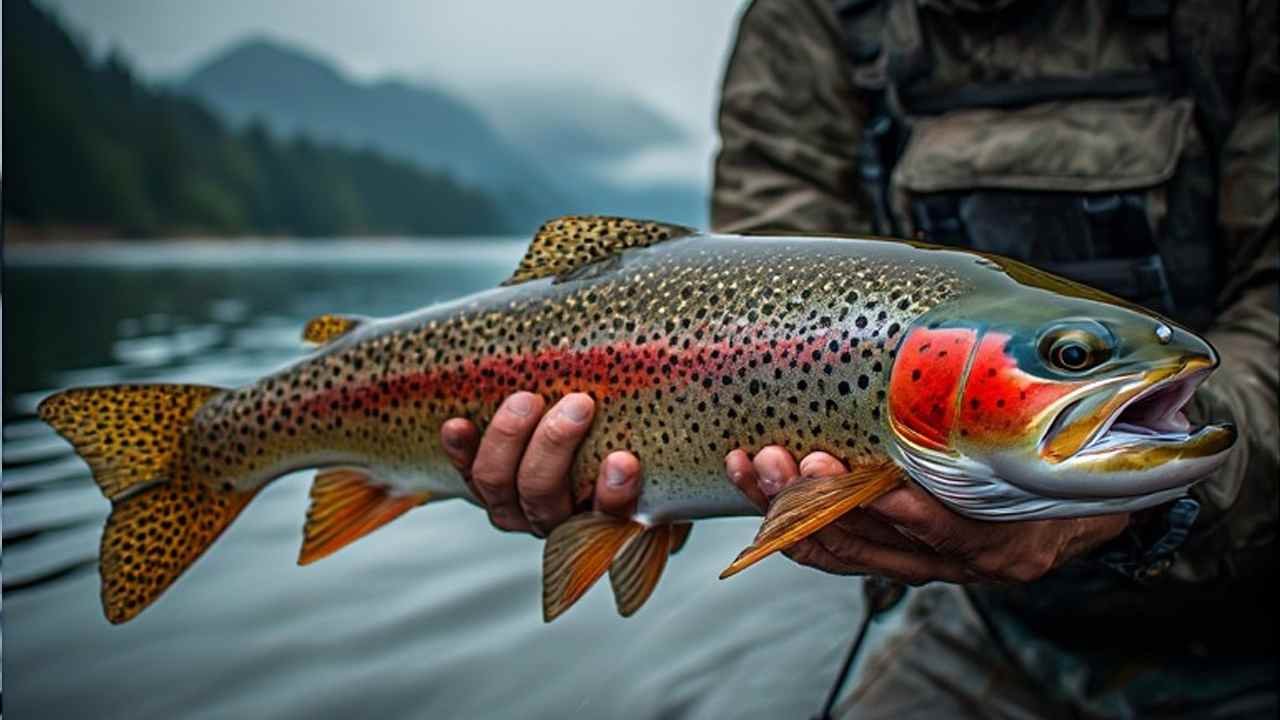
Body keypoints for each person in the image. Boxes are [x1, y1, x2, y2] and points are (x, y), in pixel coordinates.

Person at [441, 0, 1278, 716]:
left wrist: (1138, 506)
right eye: (1068, 355)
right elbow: (762, 287)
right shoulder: (821, 16)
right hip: (987, 621)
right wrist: (643, 476)